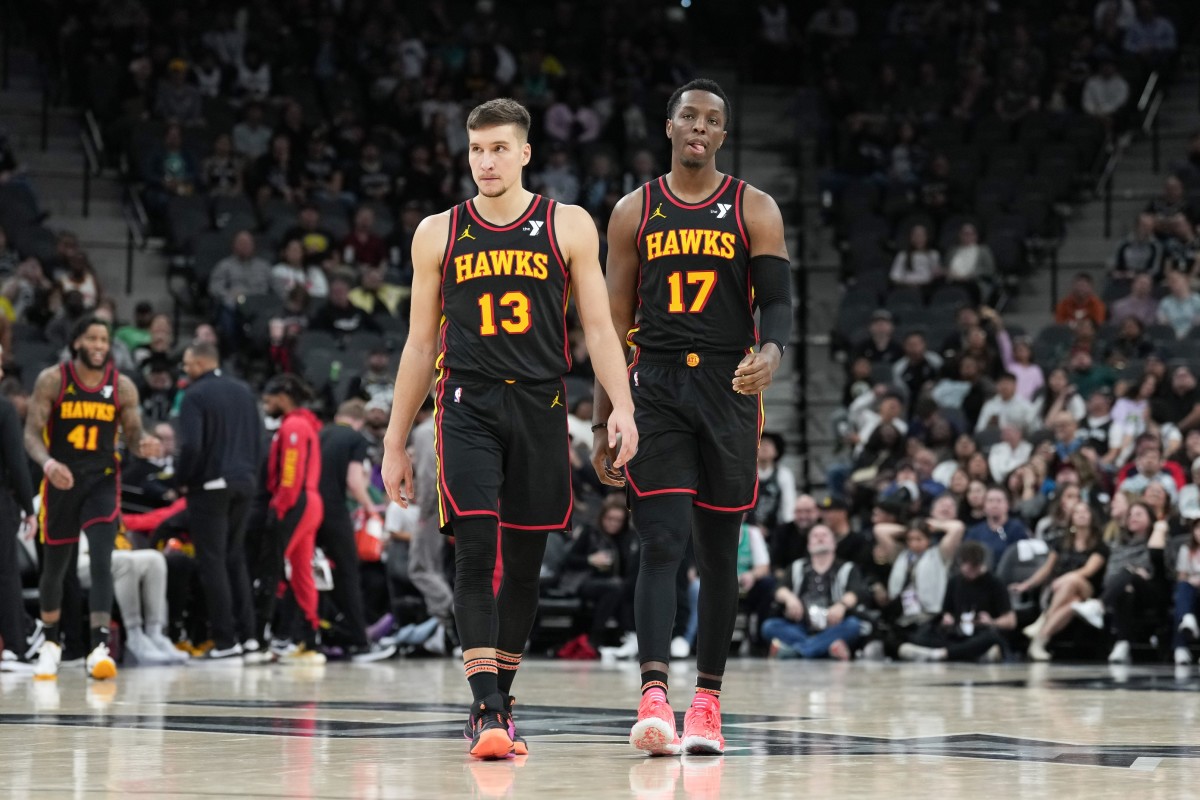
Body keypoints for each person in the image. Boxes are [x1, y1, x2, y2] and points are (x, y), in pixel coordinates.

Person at [379, 98, 638, 760]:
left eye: (498, 148)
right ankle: (486, 709)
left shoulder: (568, 224)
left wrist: (623, 407)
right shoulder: (438, 231)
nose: (485, 161)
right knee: (474, 549)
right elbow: (416, 346)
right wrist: (394, 441)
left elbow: (600, 329)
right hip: (466, 402)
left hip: (543, 407)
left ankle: (504, 698)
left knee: (525, 567)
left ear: (525, 153)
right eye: (475, 150)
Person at [590, 78, 791, 757]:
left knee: (715, 554)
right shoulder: (632, 211)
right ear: (669, 126)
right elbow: (612, 325)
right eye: (689, 116)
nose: (699, 127)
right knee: (662, 540)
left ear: (723, 135)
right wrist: (602, 419)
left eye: (712, 120)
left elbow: (779, 303)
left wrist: (772, 350)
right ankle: (653, 697)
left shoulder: (755, 208)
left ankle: (707, 703)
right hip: (657, 387)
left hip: (730, 387)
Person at [24, 316, 161, 680]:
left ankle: (98, 646)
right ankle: (51, 644)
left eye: (105, 339)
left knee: (103, 559)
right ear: (78, 342)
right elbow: (32, 435)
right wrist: (49, 462)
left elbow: (132, 436)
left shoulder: (123, 386)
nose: (100, 345)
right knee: (55, 568)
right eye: (93, 338)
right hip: (62, 480)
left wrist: (143, 444)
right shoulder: (53, 379)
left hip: (102, 481)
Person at [175, 341, 263, 660]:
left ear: (199, 363)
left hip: (210, 486)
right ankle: (250, 637)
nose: (185, 370)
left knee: (212, 560)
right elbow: (259, 439)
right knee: (234, 557)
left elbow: (191, 447)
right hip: (246, 482)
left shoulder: (194, 395)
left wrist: (180, 480)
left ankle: (226, 641)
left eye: (187, 363)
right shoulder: (244, 391)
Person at [317, 399, 395, 662]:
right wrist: (371, 508)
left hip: (311, 510)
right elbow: (353, 481)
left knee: (316, 572)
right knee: (349, 574)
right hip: (334, 511)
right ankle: (359, 642)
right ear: (359, 421)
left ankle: (318, 634)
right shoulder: (355, 439)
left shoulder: (321, 432)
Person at [260, 375, 326, 664]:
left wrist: (280, 506)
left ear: (282, 397)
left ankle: (261, 636)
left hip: (297, 501)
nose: (266, 405)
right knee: (301, 573)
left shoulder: (294, 425)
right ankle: (309, 640)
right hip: (309, 502)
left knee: (271, 567)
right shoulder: (304, 423)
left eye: (268, 400)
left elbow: (290, 471)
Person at [1015, 502, 1109, 661]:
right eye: (1077, 512)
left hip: (1088, 590)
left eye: (1085, 511)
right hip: (1061, 593)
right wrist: (1028, 584)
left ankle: (1043, 620)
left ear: (1092, 517)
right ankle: (1040, 641)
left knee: (1073, 581)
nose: (1081, 515)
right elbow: (1047, 569)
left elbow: (1088, 571)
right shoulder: (1061, 542)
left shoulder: (1100, 545)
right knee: (1073, 603)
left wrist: (1065, 578)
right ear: (1071, 517)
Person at [897, 540, 1014, 662]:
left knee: (990, 638)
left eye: (974, 567)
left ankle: (941, 654)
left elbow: (1010, 621)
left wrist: (992, 622)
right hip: (958, 633)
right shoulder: (955, 581)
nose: (969, 571)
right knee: (922, 634)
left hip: (979, 631)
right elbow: (947, 611)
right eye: (966, 567)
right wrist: (947, 619)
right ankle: (970, 654)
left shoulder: (995, 583)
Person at [764, 524, 867, 660]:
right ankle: (824, 648)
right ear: (808, 545)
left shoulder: (847, 568)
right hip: (801, 627)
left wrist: (841, 605)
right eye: (815, 536)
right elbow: (779, 589)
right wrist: (790, 599)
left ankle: (796, 651)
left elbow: (856, 592)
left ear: (834, 543)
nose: (820, 539)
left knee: (853, 625)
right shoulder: (797, 566)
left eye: (824, 535)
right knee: (769, 626)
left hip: (833, 626)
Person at [0, 347, 34, 662]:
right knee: (6, 574)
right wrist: (29, 507)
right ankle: (14, 646)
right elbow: (17, 463)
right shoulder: (4, 408)